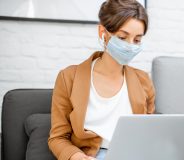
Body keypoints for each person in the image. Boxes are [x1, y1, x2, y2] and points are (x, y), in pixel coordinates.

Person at [48, 0, 155, 159]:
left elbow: (150, 133)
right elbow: (57, 138)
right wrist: (76, 156)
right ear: (102, 33)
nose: (130, 46)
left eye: (137, 40)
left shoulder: (143, 80)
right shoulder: (68, 77)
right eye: (122, 37)